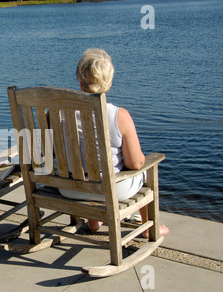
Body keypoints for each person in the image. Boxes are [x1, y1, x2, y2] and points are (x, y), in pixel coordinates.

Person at [59, 48, 169, 238]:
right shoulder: (120, 116)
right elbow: (135, 163)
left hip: (70, 189)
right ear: (109, 83)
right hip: (113, 190)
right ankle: (149, 227)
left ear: (80, 81)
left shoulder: (58, 113)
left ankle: (94, 222)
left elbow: (51, 150)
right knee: (144, 171)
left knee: (84, 163)